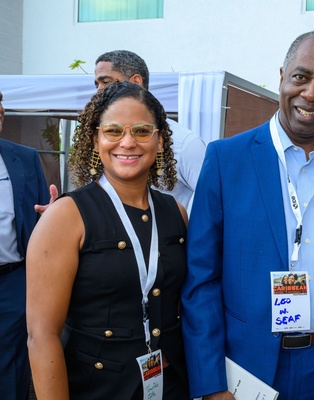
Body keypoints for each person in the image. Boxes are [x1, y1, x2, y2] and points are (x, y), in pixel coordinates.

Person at [180, 30, 314, 400]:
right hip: (245, 366)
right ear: (282, 76)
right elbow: (201, 280)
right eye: (301, 77)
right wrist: (211, 383)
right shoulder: (225, 160)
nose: (311, 93)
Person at [26, 82, 189, 399]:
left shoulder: (176, 213)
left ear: (159, 140)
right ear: (95, 138)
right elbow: (42, 336)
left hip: (170, 386)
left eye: (142, 131)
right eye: (113, 131)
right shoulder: (65, 216)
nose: (127, 142)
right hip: (95, 388)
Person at [0, 77, 50, 400]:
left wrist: (53, 217)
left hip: (11, 287)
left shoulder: (25, 159)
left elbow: (42, 221)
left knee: (10, 380)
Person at [95, 50, 206, 213]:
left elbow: (211, 201)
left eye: (106, 82)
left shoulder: (185, 144)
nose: (99, 90)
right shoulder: (99, 138)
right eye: (113, 131)